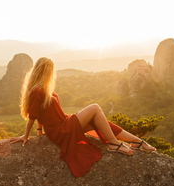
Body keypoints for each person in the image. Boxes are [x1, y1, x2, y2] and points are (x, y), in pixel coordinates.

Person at [10, 57, 156, 177]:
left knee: (99, 121)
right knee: (95, 107)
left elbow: (41, 114)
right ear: (45, 71)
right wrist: (26, 136)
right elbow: (33, 115)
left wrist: (40, 133)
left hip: (65, 122)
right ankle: (114, 143)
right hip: (61, 130)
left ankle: (137, 141)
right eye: (50, 71)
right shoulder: (37, 90)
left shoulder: (43, 89)